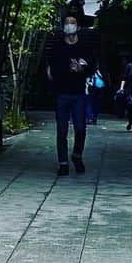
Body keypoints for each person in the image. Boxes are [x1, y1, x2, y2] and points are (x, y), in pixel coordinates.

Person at [45, 11, 96, 175]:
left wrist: (82, 69)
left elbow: (92, 67)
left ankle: (77, 155)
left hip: (79, 93)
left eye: (72, 22)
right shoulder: (57, 47)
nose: (69, 25)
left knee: (81, 128)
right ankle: (63, 163)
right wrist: (67, 69)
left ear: (78, 26)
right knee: (61, 130)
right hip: (62, 92)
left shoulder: (85, 47)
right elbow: (52, 69)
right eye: (67, 22)